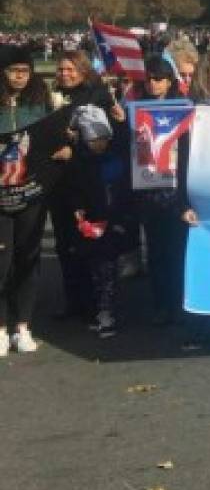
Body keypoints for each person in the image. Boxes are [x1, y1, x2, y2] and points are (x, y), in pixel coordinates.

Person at [0, 45, 71, 355]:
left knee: (29, 256)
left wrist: (65, 149)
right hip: (1, 195)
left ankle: (23, 325)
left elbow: (55, 139)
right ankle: (1, 327)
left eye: (25, 70)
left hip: (31, 193)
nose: (20, 76)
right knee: (2, 260)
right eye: (14, 70)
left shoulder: (41, 101)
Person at [50, 50, 125, 324]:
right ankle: (74, 301)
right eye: (60, 69)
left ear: (82, 70)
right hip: (59, 182)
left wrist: (75, 143)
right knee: (64, 243)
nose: (64, 74)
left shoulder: (99, 95)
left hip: (88, 181)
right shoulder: (52, 98)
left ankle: (98, 303)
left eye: (70, 69)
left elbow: (103, 140)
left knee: (90, 242)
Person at [131, 56, 196, 324]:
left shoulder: (185, 108)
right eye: (149, 79)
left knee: (177, 250)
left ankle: (179, 302)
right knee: (156, 251)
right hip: (148, 189)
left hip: (176, 188)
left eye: (159, 78)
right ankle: (161, 303)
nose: (153, 83)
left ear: (169, 81)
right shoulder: (134, 109)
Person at [71, 105, 127, 338]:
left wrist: (121, 220)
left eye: (103, 138)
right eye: (94, 139)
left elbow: (124, 193)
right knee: (93, 269)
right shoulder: (79, 163)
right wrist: (77, 209)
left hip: (111, 223)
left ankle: (107, 314)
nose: (99, 143)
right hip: (90, 224)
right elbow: (75, 190)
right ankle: (98, 311)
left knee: (107, 271)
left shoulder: (115, 161)